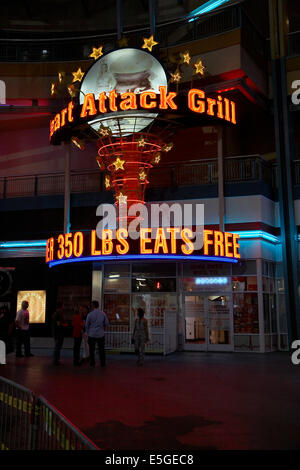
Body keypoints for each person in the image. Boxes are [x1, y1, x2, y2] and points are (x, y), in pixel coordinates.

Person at [85, 300, 109, 367]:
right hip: (100, 334)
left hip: (92, 334)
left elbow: (87, 325)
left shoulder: (90, 314)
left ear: (93, 305)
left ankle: (92, 363)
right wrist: (102, 327)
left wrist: (87, 332)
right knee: (101, 349)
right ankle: (102, 363)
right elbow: (107, 323)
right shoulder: (103, 314)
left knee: (91, 350)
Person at [52, 301, 68, 365]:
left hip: (57, 333)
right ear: (61, 306)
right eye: (63, 305)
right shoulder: (58, 314)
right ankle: (56, 360)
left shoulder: (56, 313)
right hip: (58, 333)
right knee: (57, 347)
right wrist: (65, 325)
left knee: (57, 347)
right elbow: (58, 324)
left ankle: (56, 360)